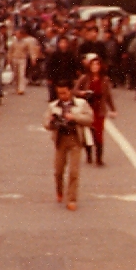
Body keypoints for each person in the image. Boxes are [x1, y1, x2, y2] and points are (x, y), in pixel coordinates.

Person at [43, 81, 95, 210]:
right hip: (60, 140)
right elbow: (46, 123)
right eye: (59, 93)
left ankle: (72, 198)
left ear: (70, 91)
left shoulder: (81, 104)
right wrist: (51, 122)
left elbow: (90, 119)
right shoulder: (53, 106)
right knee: (58, 171)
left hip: (75, 139)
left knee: (73, 171)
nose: (62, 96)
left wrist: (74, 117)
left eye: (64, 93)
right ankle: (59, 190)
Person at [74, 57, 116, 166]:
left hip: (99, 110)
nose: (95, 67)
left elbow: (108, 96)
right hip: (87, 109)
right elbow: (75, 91)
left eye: (97, 65)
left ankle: (99, 158)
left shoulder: (105, 80)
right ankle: (89, 154)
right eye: (93, 65)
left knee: (99, 134)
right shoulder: (85, 78)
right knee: (88, 133)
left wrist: (113, 109)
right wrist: (83, 93)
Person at [45, 36, 81, 102]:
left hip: (68, 77)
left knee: (68, 96)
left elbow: (75, 66)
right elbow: (49, 67)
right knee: (55, 96)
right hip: (56, 77)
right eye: (61, 42)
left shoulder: (71, 54)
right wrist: (49, 77)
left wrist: (75, 77)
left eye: (65, 42)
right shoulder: (54, 54)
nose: (63, 44)